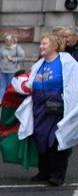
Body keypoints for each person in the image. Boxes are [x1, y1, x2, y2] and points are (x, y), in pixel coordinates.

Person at [17, 32, 78, 187]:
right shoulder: (39, 63)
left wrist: (66, 100)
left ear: (55, 45)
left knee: (56, 139)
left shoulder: (67, 62)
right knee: (41, 138)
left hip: (57, 106)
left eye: (44, 44)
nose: (41, 46)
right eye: (41, 44)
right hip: (39, 107)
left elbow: (74, 83)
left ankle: (57, 175)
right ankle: (43, 172)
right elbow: (31, 82)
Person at [0, 34, 25, 106]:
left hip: (12, 70)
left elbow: (22, 57)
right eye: (6, 40)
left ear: (12, 40)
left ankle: (8, 101)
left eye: (8, 40)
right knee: (2, 85)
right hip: (2, 70)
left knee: (10, 86)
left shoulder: (17, 48)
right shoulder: (2, 48)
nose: (6, 41)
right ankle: (0, 100)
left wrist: (13, 59)